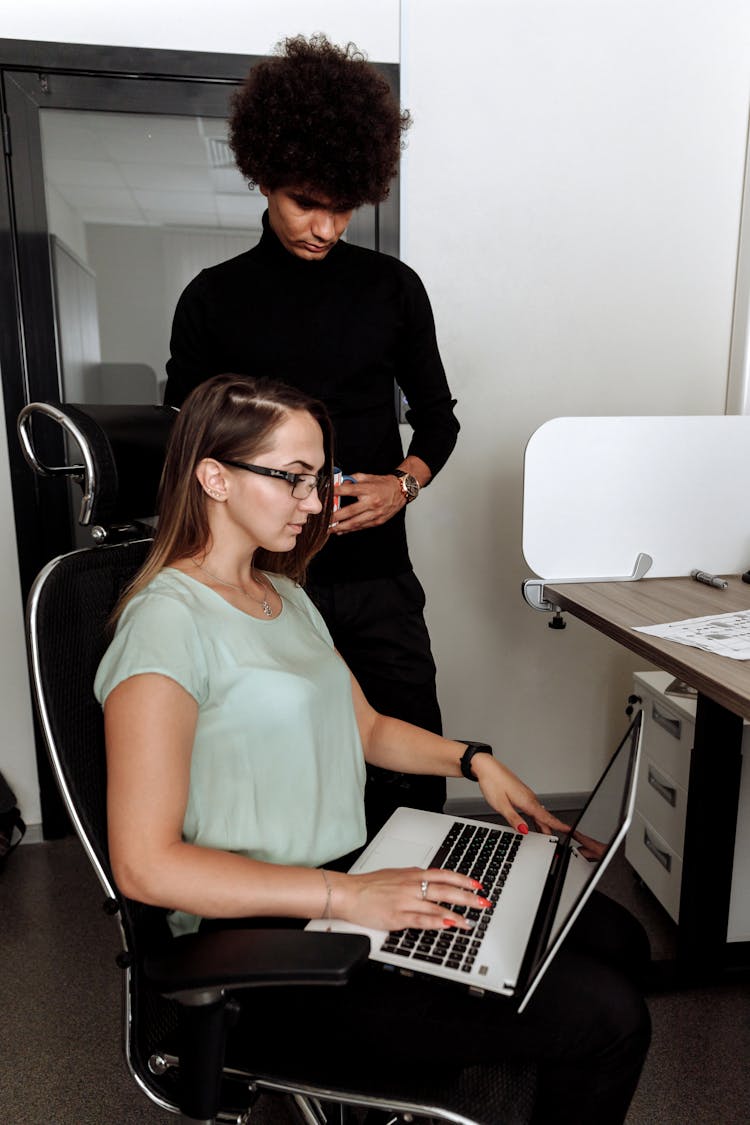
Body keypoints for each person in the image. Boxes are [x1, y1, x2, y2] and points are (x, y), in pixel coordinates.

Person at [96, 374, 650, 1125]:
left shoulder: (281, 594)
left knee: (615, 936)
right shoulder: (164, 625)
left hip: (346, 887)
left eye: (318, 479)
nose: (316, 502)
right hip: (270, 951)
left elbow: (367, 727)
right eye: (291, 478)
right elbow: (145, 865)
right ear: (214, 477)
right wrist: (349, 896)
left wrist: (473, 759)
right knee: (607, 1014)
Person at [164, 34, 459, 836]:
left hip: (375, 579)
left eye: (343, 206)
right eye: (305, 202)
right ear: (264, 177)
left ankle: (408, 941)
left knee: (407, 771)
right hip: (257, 583)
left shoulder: (393, 290)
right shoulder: (213, 300)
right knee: (284, 780)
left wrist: (406, 483)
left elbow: (439, 417)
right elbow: (188, 445)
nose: (325, 227)